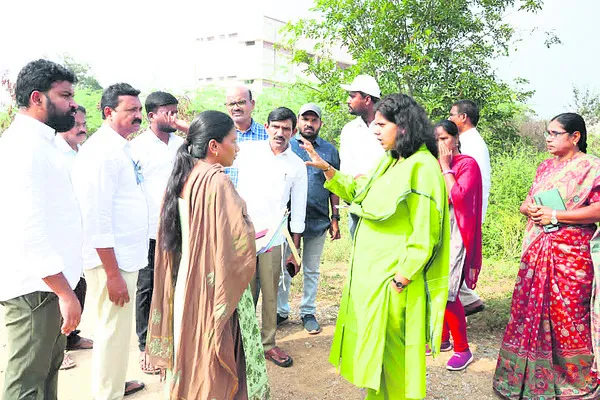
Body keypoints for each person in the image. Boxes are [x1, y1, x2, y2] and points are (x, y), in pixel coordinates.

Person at [301, 93, 450, 399]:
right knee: (376, 358)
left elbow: (426, 232)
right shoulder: (392, 161)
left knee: (396, 362)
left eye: (382, 124)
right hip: (373, 278)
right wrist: (326, 168)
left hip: (394, 282)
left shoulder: (422, 167)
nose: (375, 130)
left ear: (404, 126)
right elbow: (359, 190)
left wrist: (402, 278)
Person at [146, 110, 270, 399]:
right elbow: (239, 242)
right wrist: (253, 234)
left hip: (185, 280)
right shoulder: (218, 181)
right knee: (212, 352)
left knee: (189, 346)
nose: (237, 149)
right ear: (214, 146)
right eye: (233, 141)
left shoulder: (183, 175)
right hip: (211, 284)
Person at [493, 113, 600, 399]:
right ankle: (525, 377)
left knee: (568, 316)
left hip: (571, 255)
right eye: (547, 133)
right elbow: (527, 201)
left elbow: (599, 209)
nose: (548, 138)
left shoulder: (592, 168)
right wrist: (529, 208)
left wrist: (557, 214)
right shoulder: (544, 167)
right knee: (529, 311)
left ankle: (573, 379)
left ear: (575, 136)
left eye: (554, 133)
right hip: (537, 250)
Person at [0, 59, 83, 399]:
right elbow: (28, 228)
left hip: (48, 286)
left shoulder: (42, 143)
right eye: (64, 95)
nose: (73, 104)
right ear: (37, 98)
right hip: (36, 290)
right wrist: (65, 292)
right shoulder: (23, 147)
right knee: (25, 386)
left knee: (45, 378)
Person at [71, 83, 147, 398]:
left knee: (117, 332)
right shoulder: (100, 153)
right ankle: (107, 393)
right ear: (108, 112)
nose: (138, 117)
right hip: (110, 262)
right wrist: (112, 274)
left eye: (139, 111)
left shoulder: (121, 147)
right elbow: (96, 218)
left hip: (125, 256)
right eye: (131, 111)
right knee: (110, 330)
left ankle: (114, 384)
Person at [236, 107, 308, 367]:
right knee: (244, 293)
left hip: (274, 239)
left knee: (270, 293)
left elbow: (298, 211)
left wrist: (294, 251)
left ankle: (268, 344)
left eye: (286, 128)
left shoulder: (297, 165)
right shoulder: (247, 152)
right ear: (266, 127)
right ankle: (241, 342)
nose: (280, 133)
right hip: (243, 235)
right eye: (275, 127)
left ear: (293, 131)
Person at [131, 91, 186, 375]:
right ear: (151, 116)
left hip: (179, 226)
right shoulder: (137, 148)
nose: (173, 117)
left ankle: (172, 338)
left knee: (175, 282)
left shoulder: (181, 145)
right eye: (167, 112)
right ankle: (145, 346)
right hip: (149, 228)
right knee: (147, 286)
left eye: (175, 111)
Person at [277, 103, 341, 334]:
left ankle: (308, 311)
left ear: (320, 124)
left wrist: (335, 216)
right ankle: (281, 310)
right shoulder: (287, 147)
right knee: (285, 266)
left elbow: (334, 184)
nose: (309, 124)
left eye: (314, 120)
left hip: (317, 219)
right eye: (305, 119)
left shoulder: (329, 151)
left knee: (312, 268)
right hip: (287, 220)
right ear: (298, 121)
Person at [433, 119, 482, 371]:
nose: (441, 144)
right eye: (437, 140)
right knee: (437, 286)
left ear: (455, 139)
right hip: (438, 231)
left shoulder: (467, 165)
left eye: (444, 139)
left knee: (450, 291)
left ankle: (463, 349)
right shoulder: (434, 165)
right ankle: (442, 339)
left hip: (458, 232)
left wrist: (444, 167)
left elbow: (458, 197)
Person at [53, 104, 94, 371]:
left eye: (83, 123)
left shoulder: (84, 152)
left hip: (83, 229)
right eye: (75, 124)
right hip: (61, 232)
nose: (82, 128)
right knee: (63, 290)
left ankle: (71, 337)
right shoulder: (56, 154)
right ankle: (57, 350)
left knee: (80, 284)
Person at [448, 99, 490, 316]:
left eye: (452, 114)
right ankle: (465, 299)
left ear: (463, 117)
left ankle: (459, 305)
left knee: (454, 263)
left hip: (464, 212)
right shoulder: (469, 141)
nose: (449, 118)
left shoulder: (470, 144)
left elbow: (466, 183)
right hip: (465, 211)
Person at [339, 74, 384, 238]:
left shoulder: (388, 126)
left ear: (367, 99)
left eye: (352, 96)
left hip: (383, 201)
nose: (348, 100)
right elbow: (345, 166)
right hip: (356, 202)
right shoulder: (349, 129)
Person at [223, 85, 268, 186]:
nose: (236, 108)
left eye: (241, 102)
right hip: (225, 197)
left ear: (252, 104)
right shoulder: (219, 135)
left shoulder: (267, 136)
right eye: (231, 104)